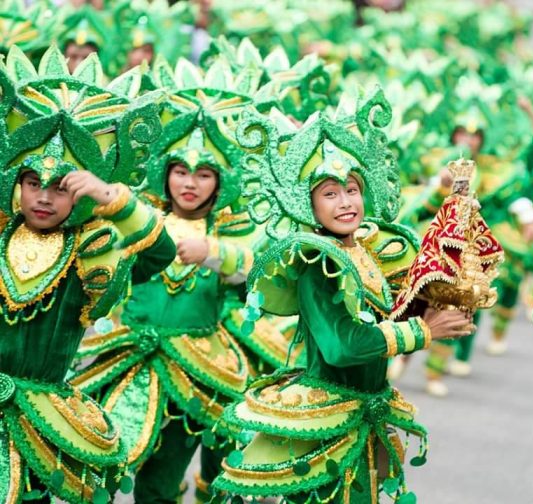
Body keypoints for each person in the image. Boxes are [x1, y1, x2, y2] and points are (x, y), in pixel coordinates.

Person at [212, 89, 472, 503]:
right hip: (326, 415)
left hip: (365, 409)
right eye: (330, 194)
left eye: (351, 190)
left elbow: (390, 310)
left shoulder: (364, 249)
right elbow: (341, 346)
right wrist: (422, 331)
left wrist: (441, 291)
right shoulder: (317, 260)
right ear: (309, 204)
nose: (345, 202)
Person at [69, 56, 259, 503]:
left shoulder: (228, 229)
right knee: (101, 466)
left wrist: (214, 254)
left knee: (163, 476)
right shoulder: (143, 217)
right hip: (129, 357)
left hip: (197, 369)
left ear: (220, 182)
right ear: (165, 173)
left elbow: (259, 269)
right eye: (180, 171)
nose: (189, 183)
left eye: (203, 173)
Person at [0, 46, 173, 502]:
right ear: (17, 183)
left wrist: (111, 197)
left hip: (40, 417)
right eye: (34, 183)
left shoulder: (91, 248)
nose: (44, 198)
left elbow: (160, 254)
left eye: (61, 189)